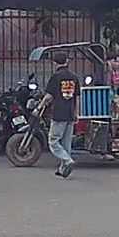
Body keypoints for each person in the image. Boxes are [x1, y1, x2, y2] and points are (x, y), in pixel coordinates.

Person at [40, 50, 80, 178]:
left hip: (59, 112)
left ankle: (67, 160)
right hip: (70, 113)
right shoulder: (74, 77)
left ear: (54, 63)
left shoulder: (55, 77)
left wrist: (39, 106)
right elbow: (77, 97)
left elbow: (49, 96)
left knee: (53, 141)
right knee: (66, 143)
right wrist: (77, 113)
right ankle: (63, 169)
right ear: (67, 61)